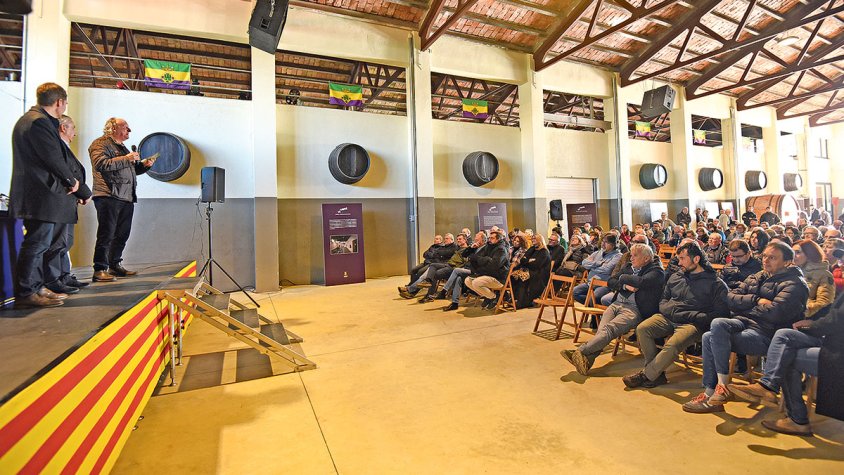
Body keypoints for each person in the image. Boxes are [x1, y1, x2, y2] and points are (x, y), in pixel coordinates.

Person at [682, 242, 809, 414]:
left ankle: (714, 393)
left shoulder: (794, 283)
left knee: (709, 338)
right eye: (764, 256)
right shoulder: (758, 276)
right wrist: (756, 300)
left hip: (767, 334)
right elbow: (730, 297)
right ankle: (717, 389)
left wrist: (744, 306)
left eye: (772, 258)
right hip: (744, 323)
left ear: (787, 262)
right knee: (717, 325)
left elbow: (775, 313)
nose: (765, 260)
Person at [10, 83, 92, 308]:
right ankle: (26, 292)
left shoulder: (33, 120)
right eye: (65, 103)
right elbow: (54, 159)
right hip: (40, 193)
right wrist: (74, 183)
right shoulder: (39, 122)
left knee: (42, 244)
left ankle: (37, 287)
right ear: (59, 102)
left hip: (41, 194)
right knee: (37, 244)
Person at [730, 293, 844, 436]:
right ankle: (769, 388)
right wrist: (811, 322)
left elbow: (837, 320)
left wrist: (811, 326)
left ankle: (795, 417)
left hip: (837, 351)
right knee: (785, 340)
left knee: (786, 353)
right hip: (830, 340)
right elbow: (832, 315)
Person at [624, 242, 729, 388]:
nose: (679, 263)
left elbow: (721, 313)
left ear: (696, 259)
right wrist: (668, 310)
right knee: (643, 328)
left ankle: (646, 375)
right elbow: (663, 299)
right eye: (678, 259)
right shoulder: (676, 276)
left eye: (682, 258)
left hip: (693, 323)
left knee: (673, 344)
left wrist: (694, 316)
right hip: (669, 317)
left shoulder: (715, 283)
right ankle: (656, 374)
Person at [560, 243, 664, 376]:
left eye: (635, 255)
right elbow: (611, 281)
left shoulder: (656, 271)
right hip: (616, 304)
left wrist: (623, 278)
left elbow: (641, 282)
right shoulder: (628, 266)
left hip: (634, 310)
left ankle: (580, 351)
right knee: (602, 332)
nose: (631, 258)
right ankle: (587, 360)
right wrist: (625, 286)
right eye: (631, 255)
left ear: (646, 258)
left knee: (609, 330)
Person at [89, 117, 156, 281]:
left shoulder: (122, 148)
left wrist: (144, 166)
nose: (129, 130)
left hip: (126, 196)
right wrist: (127, 158)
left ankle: (114, 265)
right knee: (107, 234)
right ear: (113, 128)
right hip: (108, 195)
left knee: (122, 234)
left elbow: (129, 170)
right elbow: (101, 164)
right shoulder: (100, 144)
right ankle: (100, 269)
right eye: (125, 127)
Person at [42, 115, 91, 294]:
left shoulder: (64, 147)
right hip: (60, 200)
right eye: (73, 128)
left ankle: (64, 275)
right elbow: (68, 172)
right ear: (63, 128)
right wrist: (85, 192)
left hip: (69, 200)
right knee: (57, 243)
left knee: (66, 242)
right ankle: (52, 279)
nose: (75, 133)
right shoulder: (56, 147)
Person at [400, 233, 469, 301]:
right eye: (457, 239)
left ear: (465, 240)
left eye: (460, 239)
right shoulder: (457, 248)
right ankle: (423, 288)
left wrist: (439, 254)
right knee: (431, 268)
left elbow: (463, 261)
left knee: (429, 273)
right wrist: (438, 254)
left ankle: (420, 293)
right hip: (445, 264)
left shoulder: (461, 248)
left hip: (452, 267)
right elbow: (430, 253)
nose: (458, 240)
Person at [465, 230, 509, 310]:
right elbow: (476, 258)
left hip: (499, 278)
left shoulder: (501, 249)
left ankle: (494, 297)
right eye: (489, 238)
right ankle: (488, 296)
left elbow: (494, 266)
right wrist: (486, 259)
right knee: (467, 280)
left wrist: (484, 261)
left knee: (476, 282)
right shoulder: (488, 247)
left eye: (492, 238)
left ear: (498, 239)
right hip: (488, 274)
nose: (489, 240)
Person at [441, 232, 486, 311]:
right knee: (458, 278)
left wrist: (472, 257)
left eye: (477, 239)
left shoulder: (485, 248)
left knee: (456, 270)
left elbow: (480, 261)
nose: (475, 241)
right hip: (470, 269)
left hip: (477, 271)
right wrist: (471, 248)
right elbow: (464, 254)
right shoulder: (475, 247)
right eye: (475, 239)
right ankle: (454, 303)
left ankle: (444, 290)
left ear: (482, 240)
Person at [571, 234, 622, 304]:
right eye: (602, 241)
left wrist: (591, 267)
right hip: (590, 282)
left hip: (604, 284)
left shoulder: (618, 256)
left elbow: (607, 270)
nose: (602, 244)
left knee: (594, 297)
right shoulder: (598, 252)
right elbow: (584, 263)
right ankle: (590, 305)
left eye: (606, 242)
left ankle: (591, 306)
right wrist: (598, 263)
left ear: (613, 245)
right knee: (573, 292)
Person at [792, 240, 835, 318]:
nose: (794, 255)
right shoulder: (789, 270)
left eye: (798, 252)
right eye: (792, 252)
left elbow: (824, 301)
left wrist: (802, 312)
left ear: (810, 254)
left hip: (805, 316)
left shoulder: (824, 275)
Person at [512, 234, 551, 309]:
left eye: (535, 238)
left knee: (522, 277)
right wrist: (528, 261)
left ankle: (522, 302)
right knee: (514, 276)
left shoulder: (544, 252)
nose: (533, 240)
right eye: (532, 238)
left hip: (540, 274)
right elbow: (522, 260)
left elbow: (536, 265)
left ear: (540, 240)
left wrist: (527, 261)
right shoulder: (532, 249)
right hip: (530, 270)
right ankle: (516, 299)